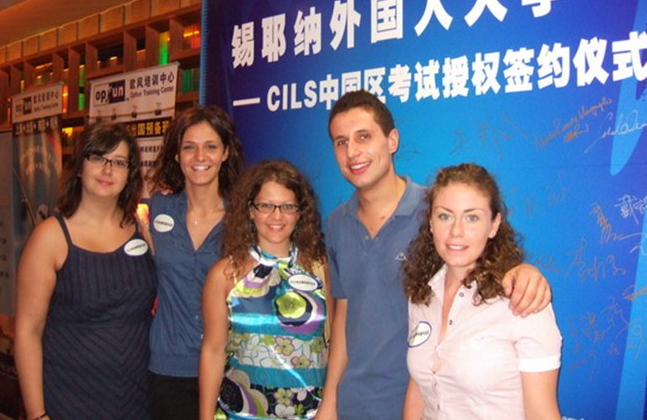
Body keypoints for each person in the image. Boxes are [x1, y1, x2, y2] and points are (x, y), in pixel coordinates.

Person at [318, 90, 553, 420]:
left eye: (364, 137)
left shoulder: (439, 208)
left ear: (392, 140)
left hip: (419, 401)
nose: (352, 151)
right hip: (355, 403)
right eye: (341, 142)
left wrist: (526, 273)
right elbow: (344, 314)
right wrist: (330, 402)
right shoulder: (336, 223)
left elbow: (490, 258)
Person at [14, 121, 157, 420]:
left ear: (130, 173)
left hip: (138, 399)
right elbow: (28, 332)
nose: (108, 170)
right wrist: (37, 414)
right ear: (79, 166)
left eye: (119, 162)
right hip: (69, 400)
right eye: (98, 158)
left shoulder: (143, 229)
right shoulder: (50, 237)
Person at [403, 163, 562, 419]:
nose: (456, 231)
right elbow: (420, 387)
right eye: (445, 216)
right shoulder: (422, 295)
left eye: (472, 217)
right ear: (431, 222)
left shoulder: (522, 299)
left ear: (494, 225)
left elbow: (542, 414)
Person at [199, 159, 330, 419]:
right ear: (251, 210)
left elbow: (333, 345)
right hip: (241, 413)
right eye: (266, 206)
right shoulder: (224, 275)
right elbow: (213, 352)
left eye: (287, 206)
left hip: (310, 413)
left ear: (300, 213)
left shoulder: (320, 269)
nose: (276, 216)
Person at [146, 105, 245, 419]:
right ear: (177, 155)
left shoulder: (243, 218)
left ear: (225, 152)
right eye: (189, 147)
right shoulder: (157, 208)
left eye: (211, 146)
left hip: (229, 367)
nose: (200, 157)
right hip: (167, 367)